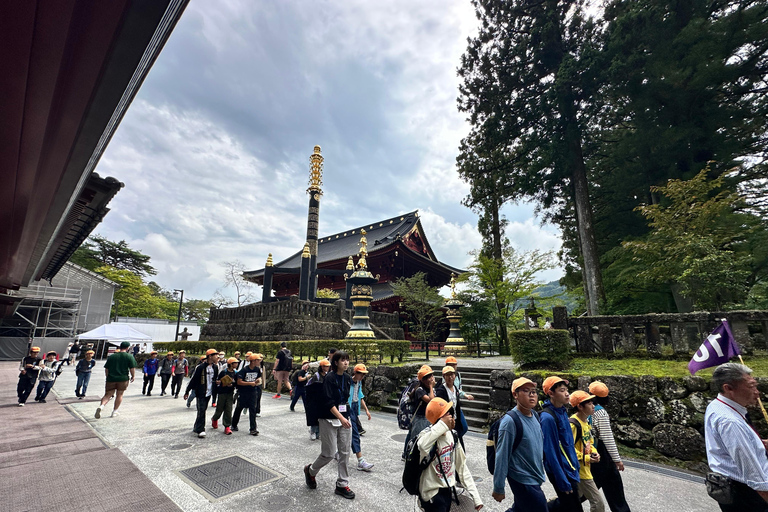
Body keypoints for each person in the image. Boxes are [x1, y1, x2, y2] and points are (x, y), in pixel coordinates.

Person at [705, 362, 768, 511]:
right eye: (751, 386)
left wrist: (759, 444)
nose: (757, 392)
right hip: (748, 495)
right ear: (728, 388)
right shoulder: (730, 422)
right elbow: (754, 477)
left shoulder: (717, 405)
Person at [303, 350, 355, 499]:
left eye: (347, 360)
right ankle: (311, 471)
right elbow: (328, 402)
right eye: (342, 360)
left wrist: (348, 417)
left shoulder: (347, 378)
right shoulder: (329, 378)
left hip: (344, 418)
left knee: (345, 452)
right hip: (328, 418)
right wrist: (341, 418)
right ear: (336, 362)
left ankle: (342, 484)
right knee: (329, 453)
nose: (346, 362)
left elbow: (345, 399)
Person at [416, 397, 483, 511]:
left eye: (451, 413)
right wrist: (442, 425)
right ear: (440, 420)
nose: (452, 417)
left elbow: (462, 467)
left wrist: (476, 497)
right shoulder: (427, 436)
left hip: (447, 490)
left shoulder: (453, 436)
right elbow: (422, 446)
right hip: (431, 494)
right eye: (448, 415)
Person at [492, 377, 548, 511]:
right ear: (515, 395)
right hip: (522, 478)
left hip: (535, 476)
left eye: (534, 391)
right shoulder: (510, 421)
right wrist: (499, 487)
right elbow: (502, 455)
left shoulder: (535, 415)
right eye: (526, 391)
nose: (532, 394)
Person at [588, 381, 631, 512]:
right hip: (603, 454)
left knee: (593, 486)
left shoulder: (587, 409)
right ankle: (555, 506)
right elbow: (607, 438)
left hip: (593, 450)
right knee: (611, 488)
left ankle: (557, 505)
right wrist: (617, 460)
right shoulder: (601, 413)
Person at [541, 376, 582, 512]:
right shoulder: (547, 418)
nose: (567, 393)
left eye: (567, 390)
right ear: (551, 393)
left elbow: (568, 443)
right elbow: (550, 452)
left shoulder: (563, 411)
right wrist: (562, 479)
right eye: (562, 390)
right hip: (561, 471)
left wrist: (575, 466)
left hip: (570, 469)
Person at [570, 391, 604, 512]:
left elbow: (589, 441)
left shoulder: (586, 422)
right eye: (589, 403)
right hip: (580, 471)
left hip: (585, 468)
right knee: (598, 503)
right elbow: (568, 449)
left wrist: (594, 452)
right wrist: (587, 458)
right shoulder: (573, 424)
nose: (593, 405)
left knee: (572, 498)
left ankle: (547, 507)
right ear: (580, 406)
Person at [95, 341, 137, 419]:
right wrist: (133, 376)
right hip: (123, 378)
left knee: (108, 395)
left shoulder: (112, 356)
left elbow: (106, 368)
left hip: (111, 378)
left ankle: (102, 406)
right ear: (127, 348)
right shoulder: (129, 356)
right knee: (119, 394)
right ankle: (114, 411)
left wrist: (107, 376)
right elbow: (132, 368)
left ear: (120, 347)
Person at [183, 349, 220, 438]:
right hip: (201, 392)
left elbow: (214, 379)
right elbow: (193, 380)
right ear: (210, 356)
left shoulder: (215, 367)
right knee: (202, 410)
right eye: (215, 355)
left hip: (209, 392)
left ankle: (196, 427)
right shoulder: (200, 367)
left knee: (202, 410)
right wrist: (187, 391)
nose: (217, 357)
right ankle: (201, 429)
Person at [402, 365, 435, 460]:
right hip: (420, 418)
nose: (430, 379)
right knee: (416, 440)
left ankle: (412, 456)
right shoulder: (419, 390)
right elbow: (431, 401)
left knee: (422, 440)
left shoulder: (430, 388)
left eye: (431, 376)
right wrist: (432, 387)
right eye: (427, 377)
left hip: (428, 418)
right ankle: (410, 457)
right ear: (422, 380)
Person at [435, 365, 467, 449]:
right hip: (446, 421)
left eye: (452, 375)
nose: (450, 377)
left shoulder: (455, 388)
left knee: (458, 444)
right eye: (447, 375)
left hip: (455, 420)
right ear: (444, 377)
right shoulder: (441, 390)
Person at [349, 363, 374, 471]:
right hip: (347, 408)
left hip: (354, 408)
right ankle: (361, 461)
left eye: (364, 374)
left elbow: (360, 397)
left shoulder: (358, 383)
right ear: (355, 373)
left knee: (347, 433)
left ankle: (337, 452)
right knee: (354, 433)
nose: (362, 376)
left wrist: (367, 411)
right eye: (361, 374)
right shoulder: (347, 382)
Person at [232, 353, 263, 435]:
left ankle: (253, 428)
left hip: (253, 392)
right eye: (258, 360)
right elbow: (239, 382)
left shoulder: (257, 369)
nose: (259, 361)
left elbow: (259, 377)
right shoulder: (244, 370)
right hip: (243, 393)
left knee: (253, 410)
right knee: (239, 408)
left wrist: (257, 381)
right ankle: (234, 424)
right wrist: (250, 383)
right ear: (253, 361)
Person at [445, 356, 474, 436]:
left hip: (456, 404)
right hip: (448, 407)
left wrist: (465, 395)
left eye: (454, 365)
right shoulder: (445, 378)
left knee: (463, 427)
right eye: (450, 365)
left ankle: (456, 440)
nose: (452, 367)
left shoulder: (458, 375)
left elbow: (458, 389)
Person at [211, 357, 238, 435]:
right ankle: (215, 418)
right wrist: (220, 383)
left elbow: (236, 383)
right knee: (219, 409)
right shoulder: (223, 372)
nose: (236, 364)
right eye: (235, 363)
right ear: (230, 364)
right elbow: (218, 381)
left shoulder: (236, 373)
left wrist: (232, 384)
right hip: (222, 393)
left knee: (228, 410)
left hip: (230, 393)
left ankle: (227, 426)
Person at [306, 359, 330, 440]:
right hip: (315, 399)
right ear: (322, 367)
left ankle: (318, 433)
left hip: (323, 399)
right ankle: (313, 431)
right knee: (314, 416)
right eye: (326, 366)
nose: (327, 368)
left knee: (321, 417)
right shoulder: (317, 375)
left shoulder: (328, 375)